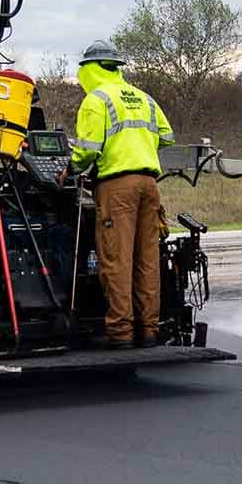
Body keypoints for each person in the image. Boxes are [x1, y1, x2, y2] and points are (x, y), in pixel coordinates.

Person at [70, 40, 175, 349]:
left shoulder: (96, 99)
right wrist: (139, 149)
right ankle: (148, 331)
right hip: (149, 185)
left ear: (89, 69)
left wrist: (71, 168)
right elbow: (166, 138)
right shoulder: (144, 98)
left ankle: (121, 333)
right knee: (147, 261)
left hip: (117, 188)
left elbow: (86, 152)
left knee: (117, 260)